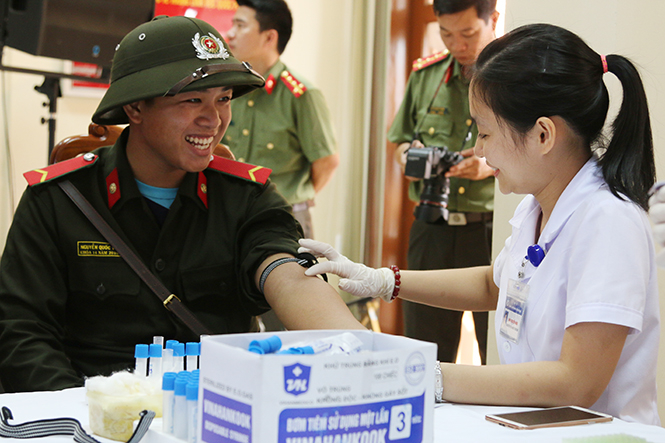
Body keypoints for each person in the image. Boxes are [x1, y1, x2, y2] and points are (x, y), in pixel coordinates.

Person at [300, 23, 660, 425]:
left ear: (543, 135)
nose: (477, 149)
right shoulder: (537, 207)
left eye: (485, 132)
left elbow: (576, 382)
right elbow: (495, 284)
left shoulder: (608, 221)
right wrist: (385, 280)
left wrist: (426, 375)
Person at [0, 16, 364, 393]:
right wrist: (84, 415)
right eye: (193, 100)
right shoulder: (59, 200)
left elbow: (286, 273)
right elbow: (21, 334)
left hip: (215, 413)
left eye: (223, 99)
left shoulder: (246, 198)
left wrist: (365, 355)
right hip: (88, 417)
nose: (214, 119)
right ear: (136, 109)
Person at [387, 0, 499, 364]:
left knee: (499, 346)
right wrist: (411, 156)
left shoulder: (515, 81)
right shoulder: (426, 76)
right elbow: (400, 141)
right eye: (446, 34)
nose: (457, 44)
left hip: (488, 232)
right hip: (431, 228)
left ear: (492, 20)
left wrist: (490, 166)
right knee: (423, 351)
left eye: (468, 33)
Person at [223, 0, 339, 240]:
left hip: (283, 217)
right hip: (230, 214)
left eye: (240, 25)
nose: (230, 34)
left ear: (269, 37)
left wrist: (290, 198)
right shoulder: (227, 89)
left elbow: (326, 162)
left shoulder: (301, 95)